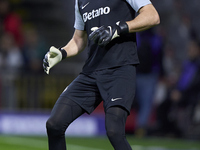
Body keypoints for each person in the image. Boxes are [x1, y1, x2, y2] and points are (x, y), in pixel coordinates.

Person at [43, 0, 160, 149]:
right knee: (54, 124)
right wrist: (62, 53)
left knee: (114, 131)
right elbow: (79, 39)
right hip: (91, 72)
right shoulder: (80, 1)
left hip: (120, 69)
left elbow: (152, 15)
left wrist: (119, 28)